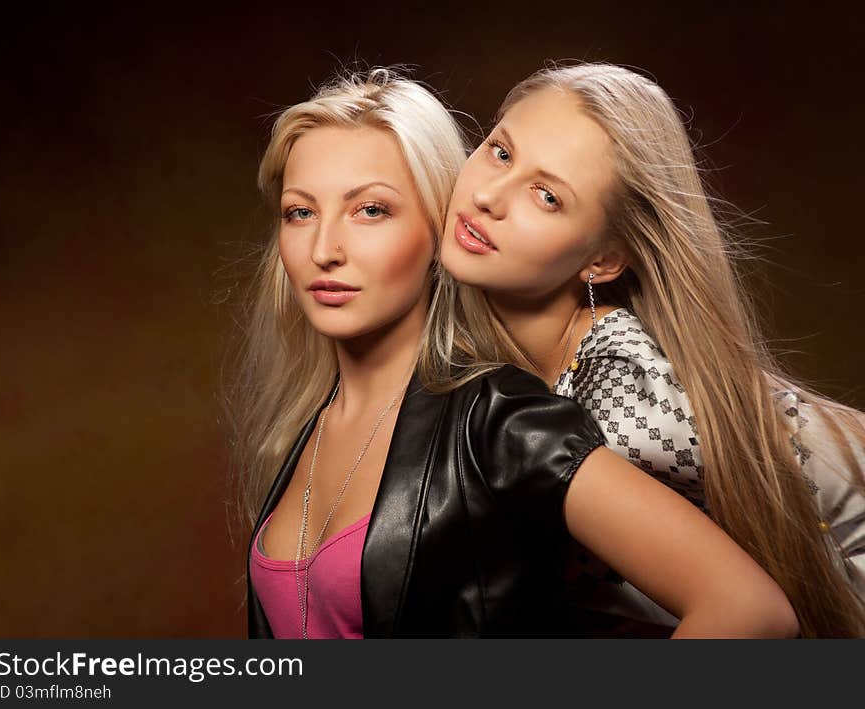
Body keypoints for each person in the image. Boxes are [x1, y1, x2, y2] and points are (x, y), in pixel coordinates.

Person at [230, 68, 797, 639]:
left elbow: (748, 608)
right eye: (300, 212)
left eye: (371, 210)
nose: (324, 249)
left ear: (437, 221)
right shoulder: (308, 425)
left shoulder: (502, 420)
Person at [439, 62, 865, 637]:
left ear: (602, 261)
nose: (488, 196)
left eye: (546, 196)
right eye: (500, 152)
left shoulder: (626, 398)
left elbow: (752, 610)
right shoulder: (465, 331)